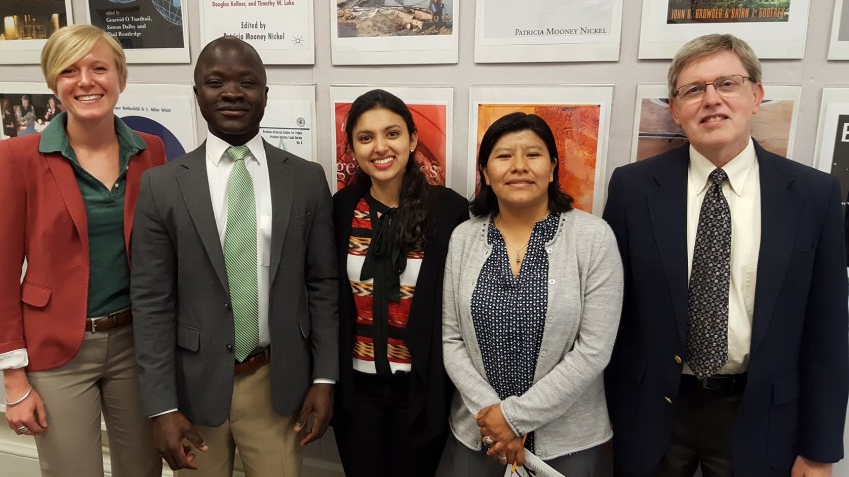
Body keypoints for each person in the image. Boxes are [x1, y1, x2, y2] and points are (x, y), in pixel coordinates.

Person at [603, 33, 849, 477]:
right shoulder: (632, 188)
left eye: (727, 84)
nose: (711, 100)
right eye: (693, 90)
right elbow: (612, 313)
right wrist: (607, 414)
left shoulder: (813, 194)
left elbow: (828, 329)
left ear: (756, 96)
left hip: (761, 416)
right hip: (652, 413)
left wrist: (820, 450)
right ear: (675, 110)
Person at [131, 36, 338, 476]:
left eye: (247, 82)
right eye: (215, 82)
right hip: (193, 386)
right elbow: (151, 303)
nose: (231, 92)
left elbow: (323, 285)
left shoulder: (305, 179)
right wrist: (161, 407)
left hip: (276, 383)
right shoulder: (162, 186)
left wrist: (324, 378)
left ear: (265, 94)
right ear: (197, 94)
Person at [0, 24, 166, 477]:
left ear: (120, 78)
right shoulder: (18, 158)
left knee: (143, 469)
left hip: (136, 344)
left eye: (99, 68)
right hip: (56, 350)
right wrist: (13, 379)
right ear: (54, 83)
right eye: (69, 70)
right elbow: (1, 272)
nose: (85, 81)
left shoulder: (151, 152)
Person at [442, 112, 623, 476]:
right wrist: (493, 419)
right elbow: (451, 339)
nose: (519, 166)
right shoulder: (463, 237)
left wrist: (513, 418)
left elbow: (594, 349)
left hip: (568, 443)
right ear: (486, 172)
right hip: (480, 433)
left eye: (533, 154)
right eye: (504, 156)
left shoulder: (594, 237)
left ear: (553, 167)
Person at [332, 89, 469, 477]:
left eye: (392, 133)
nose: (380, 147)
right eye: (366, 137)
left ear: (412, 139)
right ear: (352, 148)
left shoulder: (449, 210)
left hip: (421, 391)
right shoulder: (341, 209)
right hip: (356, 391)